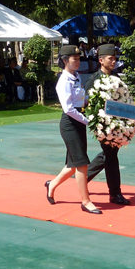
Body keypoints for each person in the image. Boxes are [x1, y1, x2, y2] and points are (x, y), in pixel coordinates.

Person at [44, 45, 102, 215]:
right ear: (64, 61)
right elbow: (68, 108)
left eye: (78, 58)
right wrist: (88, 121)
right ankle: (86, 201)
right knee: (82, 163)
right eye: (74, 59)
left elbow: (80, 101)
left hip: (79, 122)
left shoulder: (76, 77)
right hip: (70, 124)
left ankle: (52, 184)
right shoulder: (63, 81)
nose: (77, 61)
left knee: (73, 164)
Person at [85, 44, 131, 206]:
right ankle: (115, 194)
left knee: (108, 155)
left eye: (115, 58)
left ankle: (83, 177)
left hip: (117, 124)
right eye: (110, 58)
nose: (114, 61)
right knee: (111, 157)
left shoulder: (116, 77)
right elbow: (88, 105)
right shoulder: (94, 81)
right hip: (103, 126)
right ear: (101, 60)